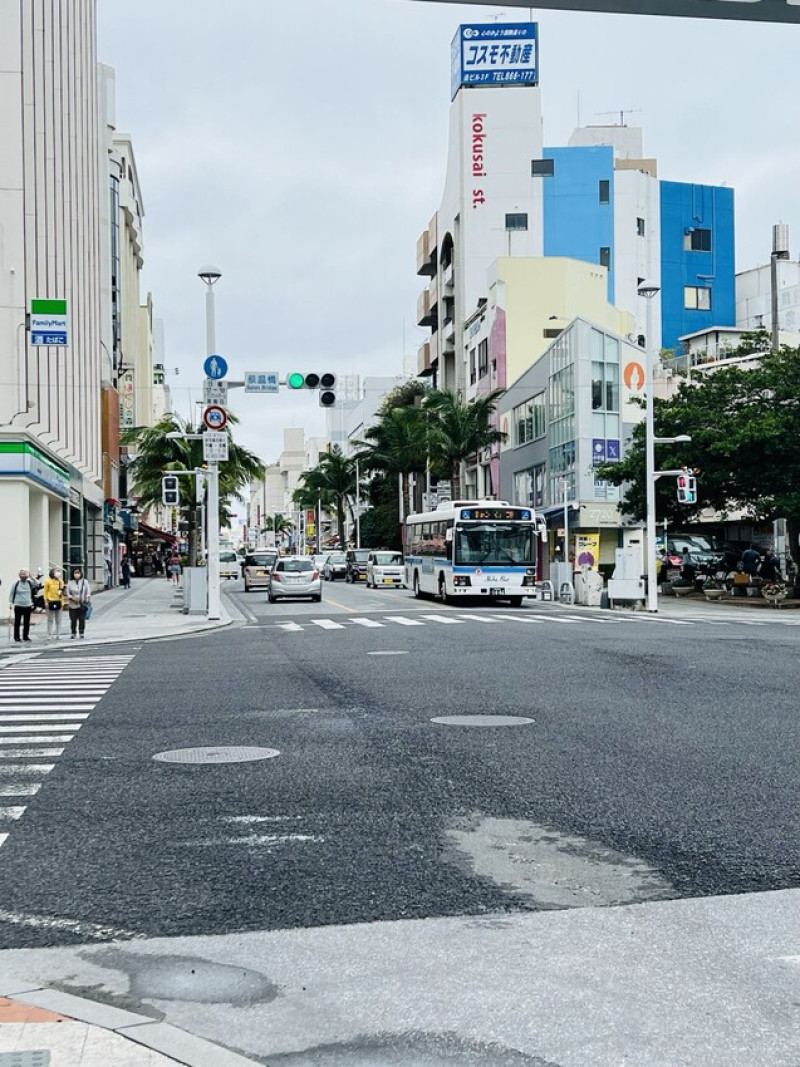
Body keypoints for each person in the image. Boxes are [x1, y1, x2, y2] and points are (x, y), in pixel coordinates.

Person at [9, 568, 37, 643]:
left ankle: (25, 636)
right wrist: (11, 603)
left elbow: (37, 583)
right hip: (18, 605)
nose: (23, 575)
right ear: (19, 575)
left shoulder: (30, 583)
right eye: (21, 574)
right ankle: (16, 637)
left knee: (26, 622)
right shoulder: (16, 583)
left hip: (27, 605)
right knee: (17, 622)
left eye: (25, 574)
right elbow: (12, 593)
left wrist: (31, 576)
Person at [66, 567, 91, 639]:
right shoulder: (70, 582)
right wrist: (72, 598)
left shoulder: (84, 582)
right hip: (73, 604)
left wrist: (87, 598)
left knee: (82, 619)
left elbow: (88, 591)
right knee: (73, 619)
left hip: (81, 603)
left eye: (78, 573)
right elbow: (67, 593)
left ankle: (81, 632)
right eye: (75, 573)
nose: (77, 574)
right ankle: (73, 632)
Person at [43, 567, 65, 639]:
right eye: (57, 571)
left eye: (59, 571)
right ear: (52, 572)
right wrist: (46, 601)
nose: (58, 572)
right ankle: (49, 634)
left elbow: (62, 591)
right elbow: (45, 592)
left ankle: (58, 634)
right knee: (50, 619)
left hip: (59, 602)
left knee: (59, 619)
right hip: (50, 601)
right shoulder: (48, 581)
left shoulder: (61, 581)